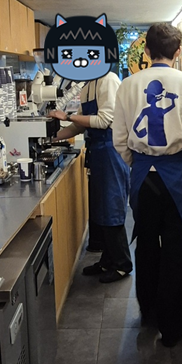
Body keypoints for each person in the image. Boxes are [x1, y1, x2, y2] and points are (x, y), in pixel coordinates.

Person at [113, 23, 182, 346]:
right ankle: (173, 328)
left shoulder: (128, 86)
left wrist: (137, 161)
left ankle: (149, 311)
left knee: (146, 243)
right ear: (178, 51)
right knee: (178, 247)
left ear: (146, 50)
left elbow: (119, 139)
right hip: (178, 175)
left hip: (143, 176)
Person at [50, 73, 132, 283]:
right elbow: (81, 124)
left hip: (111, 151)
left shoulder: (109, 80)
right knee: (101, 209)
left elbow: (104, 120)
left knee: (112, 208)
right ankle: (108, 260)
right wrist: (52, 138)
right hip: (97, 151)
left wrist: (67, 117)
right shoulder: (88, 85)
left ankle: (122, 264)